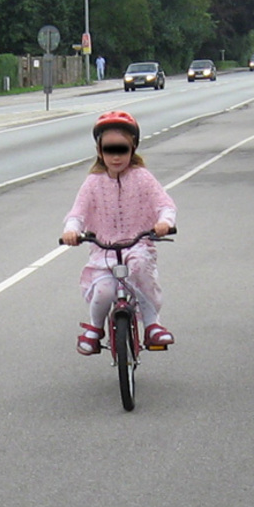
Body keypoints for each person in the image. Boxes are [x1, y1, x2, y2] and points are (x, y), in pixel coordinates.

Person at [60, 111, 176, 356]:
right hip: (104, 251)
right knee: (104, 290)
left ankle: (152, 324)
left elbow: (164, 204)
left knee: (140, 269)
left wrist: (164, 222)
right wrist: (72, 230)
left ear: (132, 148)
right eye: (109, 150)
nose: (115, 157)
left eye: (121, 150)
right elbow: (77, 214)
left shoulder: (142, 177)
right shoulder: (93, 182)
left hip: (137, 245)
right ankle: (95, 327)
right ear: (99, 150)